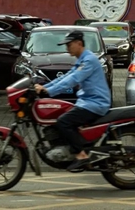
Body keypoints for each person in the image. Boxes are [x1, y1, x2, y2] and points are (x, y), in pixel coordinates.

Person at [34, 30, 111, 172]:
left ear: (79, 43)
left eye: (69, 44)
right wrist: (45, 87)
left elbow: (73, 80)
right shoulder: (81, 59)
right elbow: (65, 77)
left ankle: (81, 154)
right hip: (86, 102)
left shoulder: (89, 60)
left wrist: (50, 91)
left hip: (95, 103)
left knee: (63, 121)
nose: (67, 48)